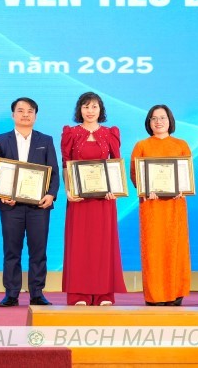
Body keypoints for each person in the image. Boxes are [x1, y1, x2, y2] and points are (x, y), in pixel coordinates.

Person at [0, 97, 59, 307]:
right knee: (12, 250)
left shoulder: (45, 140)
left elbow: (54, 171)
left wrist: (51, 195)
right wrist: (2, 193)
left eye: (30, 111)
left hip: (39, 206)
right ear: (13, 115)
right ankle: (11, 294)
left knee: (38, 250)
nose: (25, 114)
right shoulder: (0, 140)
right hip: (10, 206)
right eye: (20, 111)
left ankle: (37, 293)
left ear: (35, 116)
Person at [61, 91, 126, 306]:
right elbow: (66, 165)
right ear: (79, 110)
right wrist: (69, 190)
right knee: (79, 245)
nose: (90, 111)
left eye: (94, 107)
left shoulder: (110, 133)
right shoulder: (70, 133)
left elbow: (115, 164)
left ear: (101, 110)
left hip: (104, 200)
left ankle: (103, 294)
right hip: (79, 200)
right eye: (86, 106)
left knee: (103, 245)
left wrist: (115, 190)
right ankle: (79, 294)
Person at [129, 104, 191, 306]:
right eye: (154, 118)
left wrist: (183, 188)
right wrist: (146, 188)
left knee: (176, 247)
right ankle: (155, 295)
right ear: (148, 122)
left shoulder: (181, 145)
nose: (158, 122)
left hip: (175, 205)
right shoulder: (142, 145)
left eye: (162, 117)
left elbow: (186, 174)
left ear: (170, 120)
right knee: (153, 250)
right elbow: (134, 174)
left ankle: (176, 293)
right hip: (151, 206)